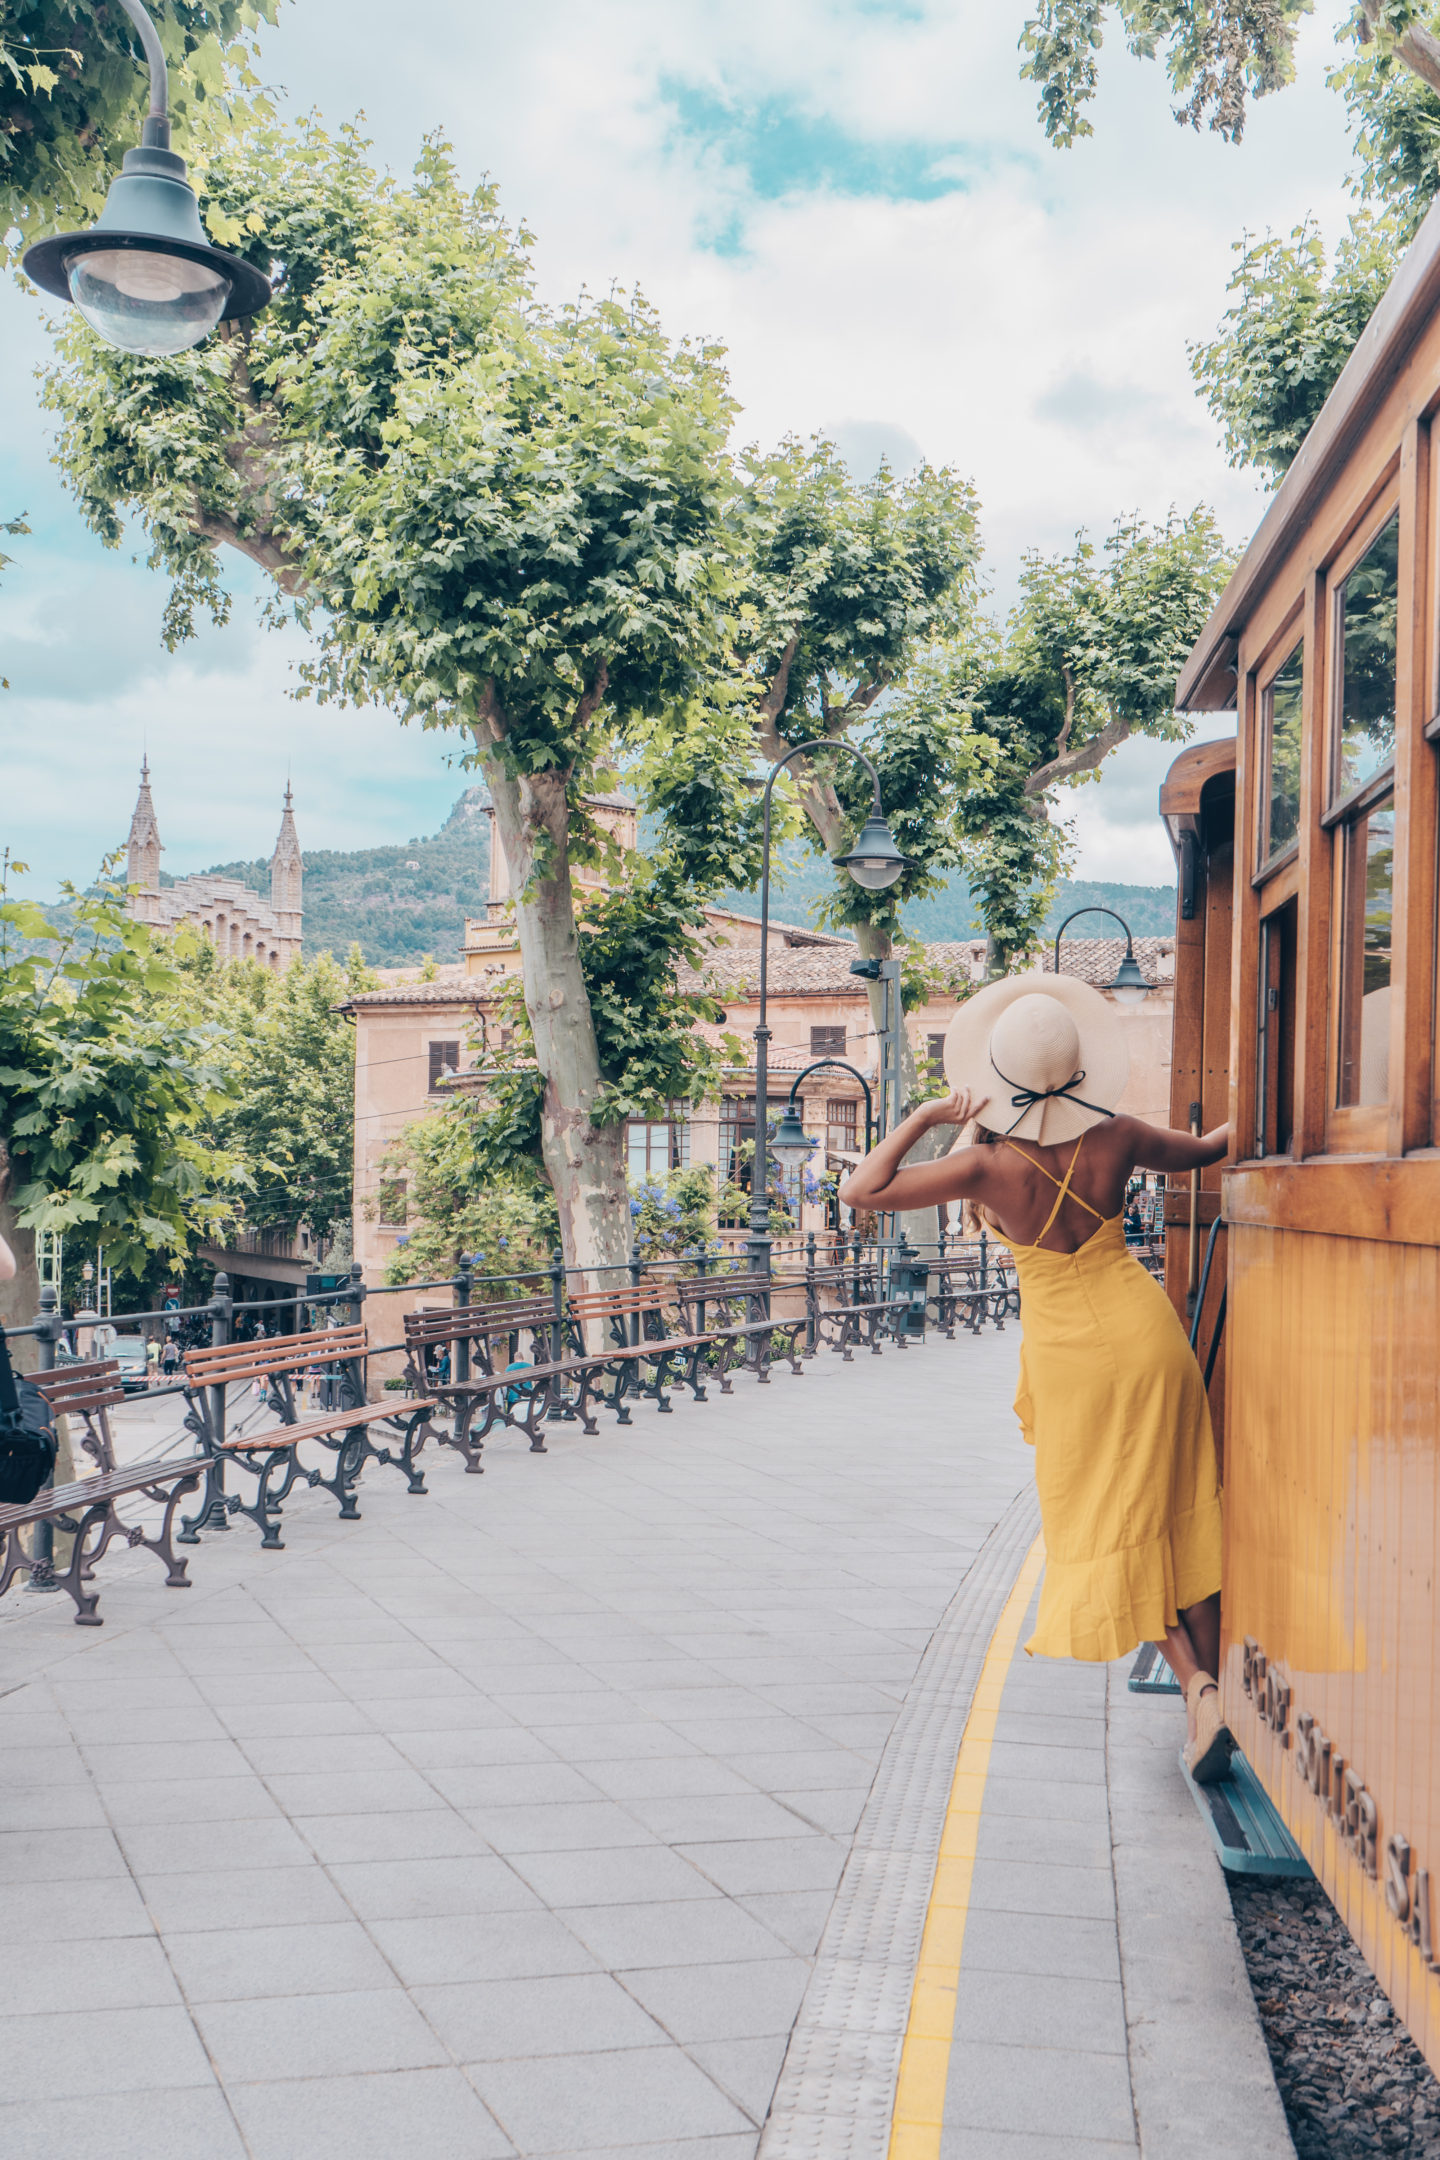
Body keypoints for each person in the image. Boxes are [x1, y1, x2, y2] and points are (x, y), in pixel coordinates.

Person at [839, 972, 1234, 1783]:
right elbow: (1210, 1149)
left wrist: (927, 1115)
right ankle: (1217, 1688)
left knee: (1105, 1518)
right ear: (1080, 1067)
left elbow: (862, 1189)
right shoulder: (1119, 1136)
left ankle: (1197, 1688)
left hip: (1073, 1364)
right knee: (1181, 1502)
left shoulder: (988, 1169)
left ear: (999, 1076)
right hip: (1149, 1334)